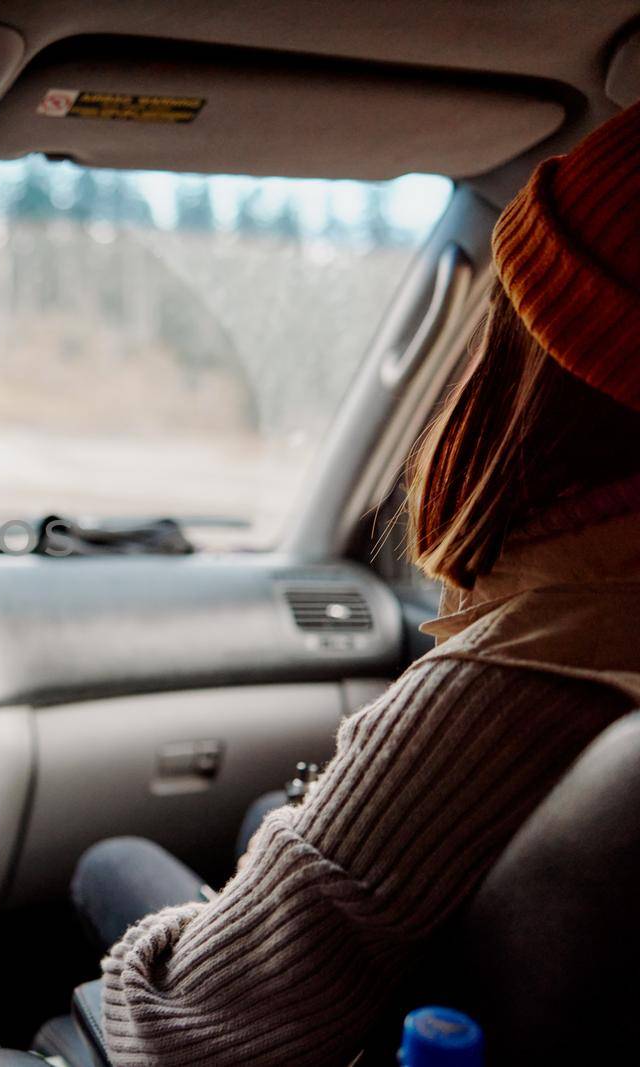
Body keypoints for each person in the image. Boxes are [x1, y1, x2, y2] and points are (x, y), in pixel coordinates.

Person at [69, 101, 640, 1062]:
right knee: (266, 822)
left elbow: (179, 1029)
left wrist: (163, 953)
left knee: (110, 863)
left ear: (531, 366)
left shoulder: (509, 687)